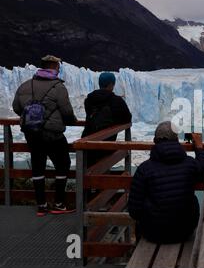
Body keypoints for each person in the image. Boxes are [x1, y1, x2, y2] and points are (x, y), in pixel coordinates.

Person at [13, 55, 77, 217]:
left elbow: (16, 107)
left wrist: (33, 118)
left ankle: (41, 206)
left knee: (37, 166)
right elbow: (67, 112)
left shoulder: (25, 85)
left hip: (32, 133)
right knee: (63, 164)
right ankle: (59, 203)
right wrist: (71, 121)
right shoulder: (58, 87)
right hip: (52, 134)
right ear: (54, 67)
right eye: (58, 66)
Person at [128, 122, 204, 244]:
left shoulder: (144, 169)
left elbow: (134, 211)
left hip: (153, 233)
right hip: (184, 231)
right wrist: (199, 147)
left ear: (154, 140)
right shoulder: (190, 164)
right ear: (177, 140)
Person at [82, 72, 132, 167]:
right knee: (102, 166)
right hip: (106, 142)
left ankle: (86, 181)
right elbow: (127, 118)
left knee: (89, 168)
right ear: (111, 84)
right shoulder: (116, 101)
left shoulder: (89, 99)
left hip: (87, 139)